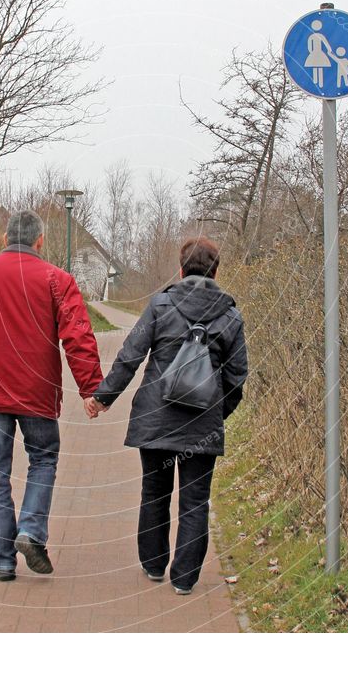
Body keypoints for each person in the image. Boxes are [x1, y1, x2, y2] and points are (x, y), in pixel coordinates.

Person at [0, 209, 103, 582]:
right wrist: (91, 389)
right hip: (38, 393)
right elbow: (77, 336)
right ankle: (31, 530)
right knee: (44, 459)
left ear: (5, 239)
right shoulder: (57, 280)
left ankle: (2, 559)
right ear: (40, 241)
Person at [87, 237, 248, 595]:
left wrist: (103, 398)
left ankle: (154, 564)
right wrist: (217, 414)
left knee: (155, 492)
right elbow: (237, 377)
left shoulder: (160, 305)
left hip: (155, 419)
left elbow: (131, 355)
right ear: (216, 272)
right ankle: (185, 579)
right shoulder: (231, 316)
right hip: (201, 427)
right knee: (194, 500)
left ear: (180, 270)